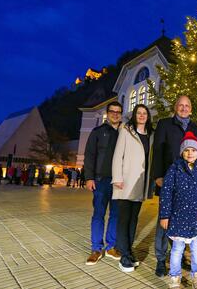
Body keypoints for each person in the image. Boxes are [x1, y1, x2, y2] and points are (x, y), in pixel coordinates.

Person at [151, 95, 197, 277]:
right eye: (181, 105)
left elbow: (196, 154)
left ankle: (178, 257)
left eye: (187, 105)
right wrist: (157, 175)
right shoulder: (164, 124)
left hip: (187, 182)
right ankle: (161, 259)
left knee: (181, 221)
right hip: (168, 179)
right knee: (164, 220)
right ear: (175, 107)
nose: (184, 108)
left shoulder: (195, 127)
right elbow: (157, 151)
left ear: (191, 109)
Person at [159, 131, 197, 289]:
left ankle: (196, 276)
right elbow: (166, 192)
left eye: (193, 150)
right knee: (177, 250)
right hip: (178, 216)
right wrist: (164, 215)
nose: (190, 153)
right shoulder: (174, 168)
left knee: (196, 249)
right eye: (187, 150)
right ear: (182, 152)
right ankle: (175, 277)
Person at [112, 104, 154, 272]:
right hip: (125, 181)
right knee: (124, 220)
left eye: (145, 113)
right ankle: (124, 257)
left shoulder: (150, 135)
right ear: (134, 115)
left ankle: (128, 251)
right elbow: (117, 155)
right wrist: (117, 178)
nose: (142, 115)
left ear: (148, 116)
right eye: (139, 113)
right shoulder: (126, 131)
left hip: (140, 184)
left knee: (133, 220)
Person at [84, 101, 122, 266]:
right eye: (112, 111)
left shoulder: (124, 133)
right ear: (107, 113)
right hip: (100, 180)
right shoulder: (98, 132)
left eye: (118, 112)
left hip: (118, 181)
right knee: (98, 214)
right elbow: (89, 155)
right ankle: (96, 249)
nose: (115, 114)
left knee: (115, 215)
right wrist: (89, 177)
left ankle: (111, 246)